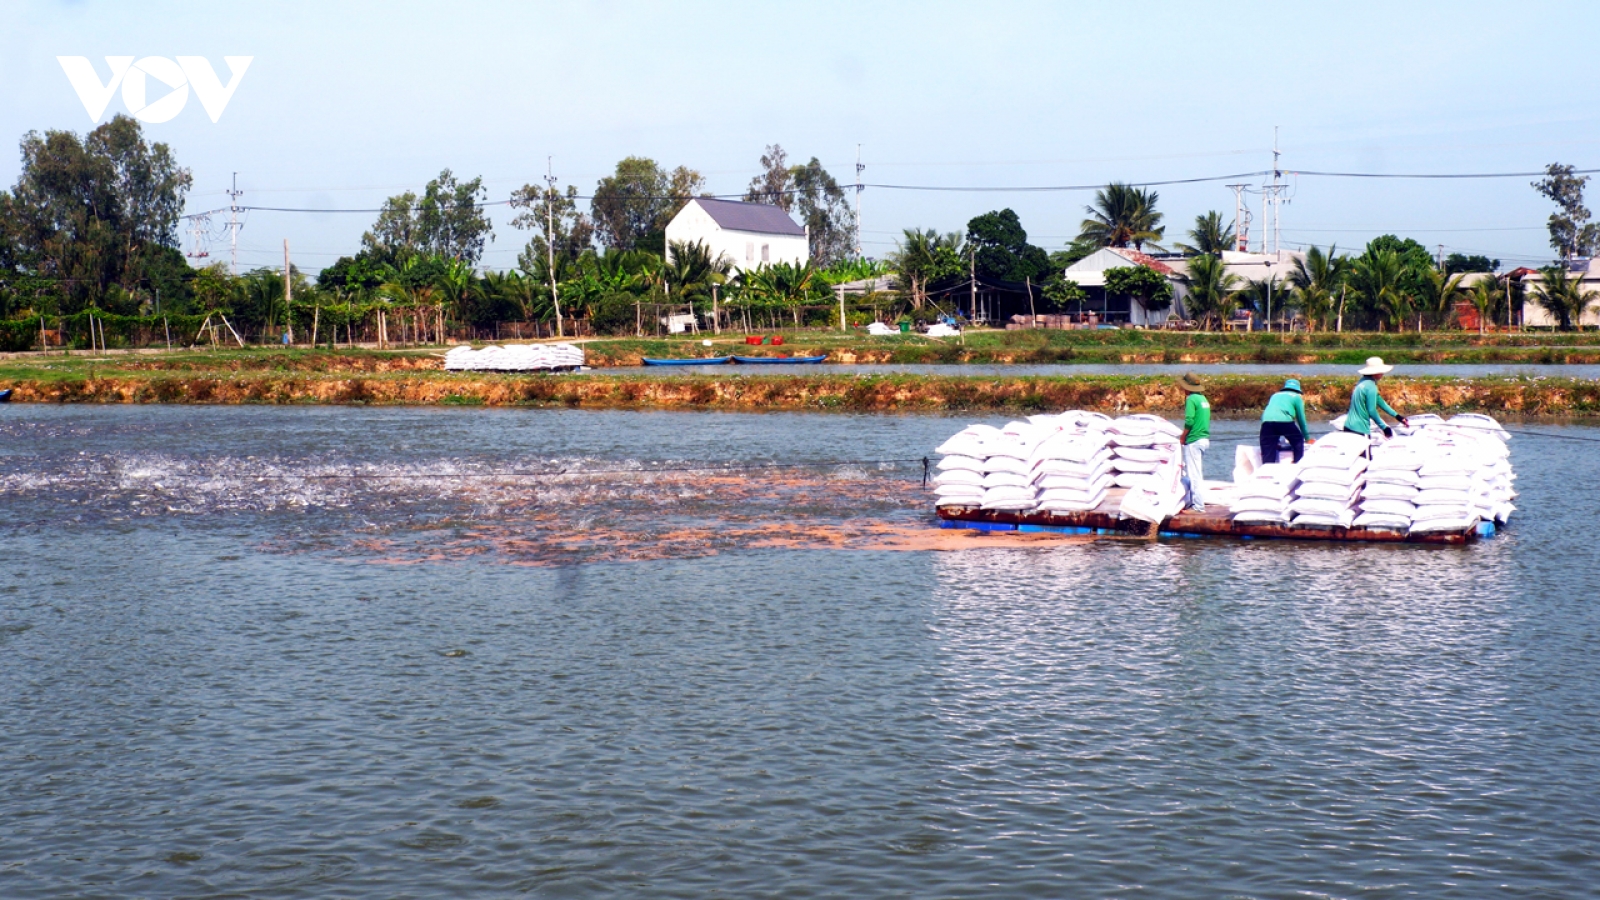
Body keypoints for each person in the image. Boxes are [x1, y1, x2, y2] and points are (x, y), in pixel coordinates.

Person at [1345, 357, 1408, 439]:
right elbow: (1371, 411)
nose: (1383, 373)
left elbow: (1381, 402)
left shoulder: (1363, 382)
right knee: (1366, 452)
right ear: (1375, 372)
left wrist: (1398, 417)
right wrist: (1384, 428)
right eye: (1381, 371)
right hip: (1360, 430)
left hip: (1348, 426)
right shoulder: (1371, 386)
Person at [1177, 372, 1210, 512]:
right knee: (1197, 472)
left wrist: (1183, 437)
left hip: (1194, 440)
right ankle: (1194, 502)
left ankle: (1198, 506)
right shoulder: (1203, 399)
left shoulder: (1191, 399)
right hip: (1204, 439)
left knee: (1194, 474)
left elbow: (1189, 420)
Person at [1260, 378, 1311, 464]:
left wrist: (1276, 440)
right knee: (1298, 440)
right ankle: (1297, 463)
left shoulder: (1275, 395)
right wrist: (1307, 438)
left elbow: (1266, 415)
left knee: (1268, 449)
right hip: (1285, 421)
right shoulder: (1296, 397)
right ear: (1297, 390)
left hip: (1266, 422)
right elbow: (1301, 419)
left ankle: (1266, 470)